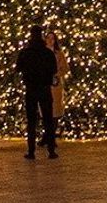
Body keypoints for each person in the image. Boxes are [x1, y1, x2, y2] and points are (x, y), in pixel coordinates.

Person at [16, 25, 58, 160]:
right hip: (45, 88)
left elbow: (18, 68)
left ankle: (31, 151)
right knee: (48, 119)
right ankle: (51, 150)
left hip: (31, 88)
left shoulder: (25, 53)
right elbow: (54, 69)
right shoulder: (47, 53)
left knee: (31, 121)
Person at [45, 31, 70, 131]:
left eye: (52, 38)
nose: (50, 41)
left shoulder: (59, 54)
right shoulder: (41, 53)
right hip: (44, 84)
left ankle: (52, 132)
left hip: (55, 85)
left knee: (55, 110)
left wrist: (57, 74)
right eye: (48, 38)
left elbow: (65, 68)